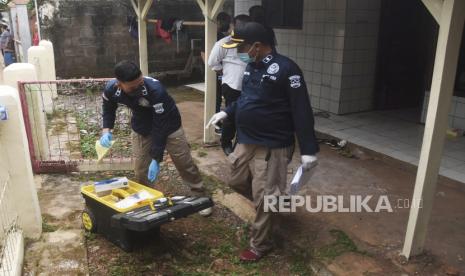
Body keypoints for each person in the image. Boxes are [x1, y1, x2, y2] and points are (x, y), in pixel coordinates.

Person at [207, 22, 319, 261]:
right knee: (236, 179)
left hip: (273, 143)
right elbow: (247, 99)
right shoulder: (251, 67)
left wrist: (309, 149)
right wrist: (228, 111)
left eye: (240, 48)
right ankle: (271, 205)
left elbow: (301, 111)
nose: (236, 53)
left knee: (265, 195)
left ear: (256, 46)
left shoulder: (287, 69)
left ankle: (260, 244)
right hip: (247, 138)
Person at [100, 61, 212, 216]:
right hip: (142, 126)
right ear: (120, 84)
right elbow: (108, 109)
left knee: (184, 162)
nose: (138, 88)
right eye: (133, 87)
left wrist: (156, 157)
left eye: (140, 83)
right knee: (141, 169)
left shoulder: (155, 90)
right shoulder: (111, 90)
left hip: (169, 124)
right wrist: (106, 130)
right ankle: (147, 199)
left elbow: (161, 126)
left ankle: (200, 196)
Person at [207, 14, 251, 155]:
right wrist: (222, 73)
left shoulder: (253, 44)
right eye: (238, 26)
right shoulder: (222, 44)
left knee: (247, 115)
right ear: (232, 26)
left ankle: (241, 142)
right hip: (231, 85)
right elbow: (212, 62)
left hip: (250, 87)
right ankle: (226, 143)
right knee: (230, 116)